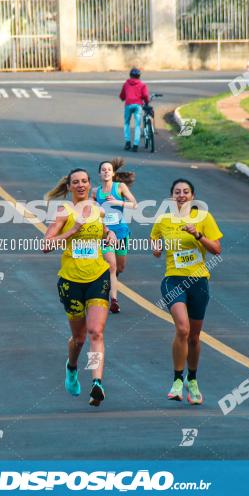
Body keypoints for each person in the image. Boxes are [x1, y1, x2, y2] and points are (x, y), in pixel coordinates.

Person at [44, 169, 117, 406]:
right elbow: (46, 245)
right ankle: (72, 367)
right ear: (69, 187)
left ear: (89, 184)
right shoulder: (64, 212)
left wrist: (111, 234)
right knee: (79, 338)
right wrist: (73, 230)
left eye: (84, 181)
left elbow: (103, 231)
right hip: (71, 281)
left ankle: (97, 382)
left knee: (96, 332)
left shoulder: (98, 209)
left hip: (97, 276)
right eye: (76, 182)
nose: (81, 185)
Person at [151, 179, 223, 405]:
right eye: (177, 192)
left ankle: (192, 379)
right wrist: (156, 247)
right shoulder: (164, 220)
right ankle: (177, 380)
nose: (181, 195)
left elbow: (217, 249)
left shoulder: (203, 218)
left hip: (199, 281)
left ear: (193, 196)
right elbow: (155, 238)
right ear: (171, 196)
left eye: (185, 192)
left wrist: (198, 235)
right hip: (173, 280)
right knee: (182, 328)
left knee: (194, 336)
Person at [91, 158, 137, 314]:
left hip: (121, 231)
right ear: (99, 173)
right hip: (105, 233)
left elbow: (134, 204)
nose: (106, 171)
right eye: (103, 169)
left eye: (108, 169)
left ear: (113, 173)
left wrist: (118, 202)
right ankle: (114, 301)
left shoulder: (120, 187)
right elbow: (89, 210)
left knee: (120, 267)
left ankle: (112, 279)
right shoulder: (95, 192)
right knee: (111, 265)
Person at [119, 67, 149, 153]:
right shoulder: (142, 85)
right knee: (137, 125)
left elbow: (122, 96)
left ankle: (128, 142)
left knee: (127, 123)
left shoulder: (126, 84)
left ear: (130, 75)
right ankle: (136, 145)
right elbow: (145, 96)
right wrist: (146, 102)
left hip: (128, 105)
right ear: (139, 76)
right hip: (138, 105)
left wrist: (123, 98)